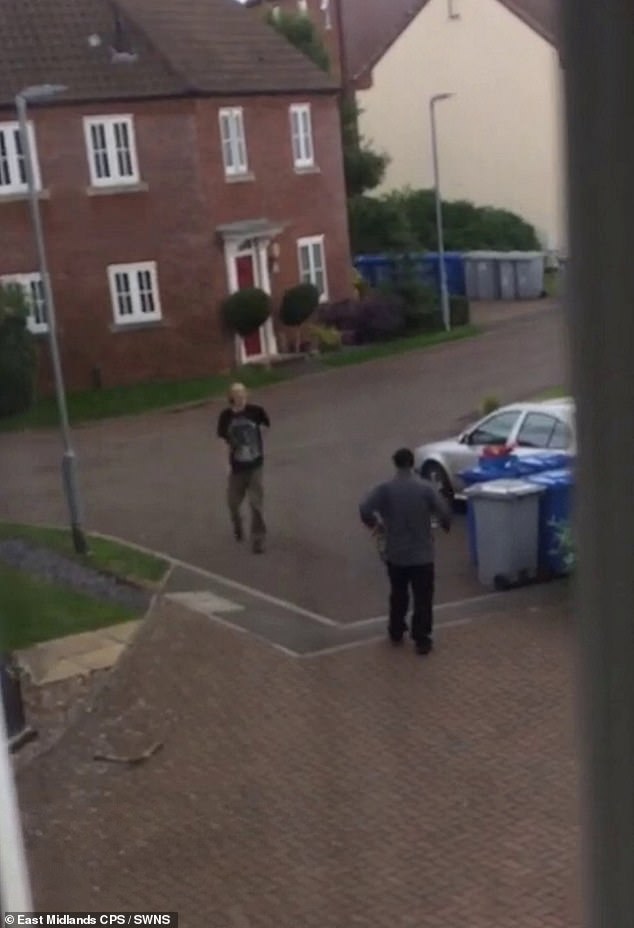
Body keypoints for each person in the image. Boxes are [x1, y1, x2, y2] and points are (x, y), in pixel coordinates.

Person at [359, 448, 452, 655]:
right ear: (412, 464)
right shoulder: (425, 488)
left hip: (396, 553)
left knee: (398, 593)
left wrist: (375, 523)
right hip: (422, 553)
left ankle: (396, 629)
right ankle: (422, 638)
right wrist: (445, 524)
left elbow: (365, 508)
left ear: (395, 464)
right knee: (423, 597)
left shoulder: (385, 489)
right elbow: (443, 510)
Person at [217, 383, 270, 553]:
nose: (241, 396)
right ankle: (238, 525)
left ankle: (258, 539)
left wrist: (257, 436)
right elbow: (222, 441)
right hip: (237, 468)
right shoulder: (225, 416)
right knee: (232, 503)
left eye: (243, 393)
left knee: (256, 504)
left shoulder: (256, 411)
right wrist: (225, 464)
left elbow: (266, 426)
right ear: (231, 397)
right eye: (237, 393)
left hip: (255, 465)